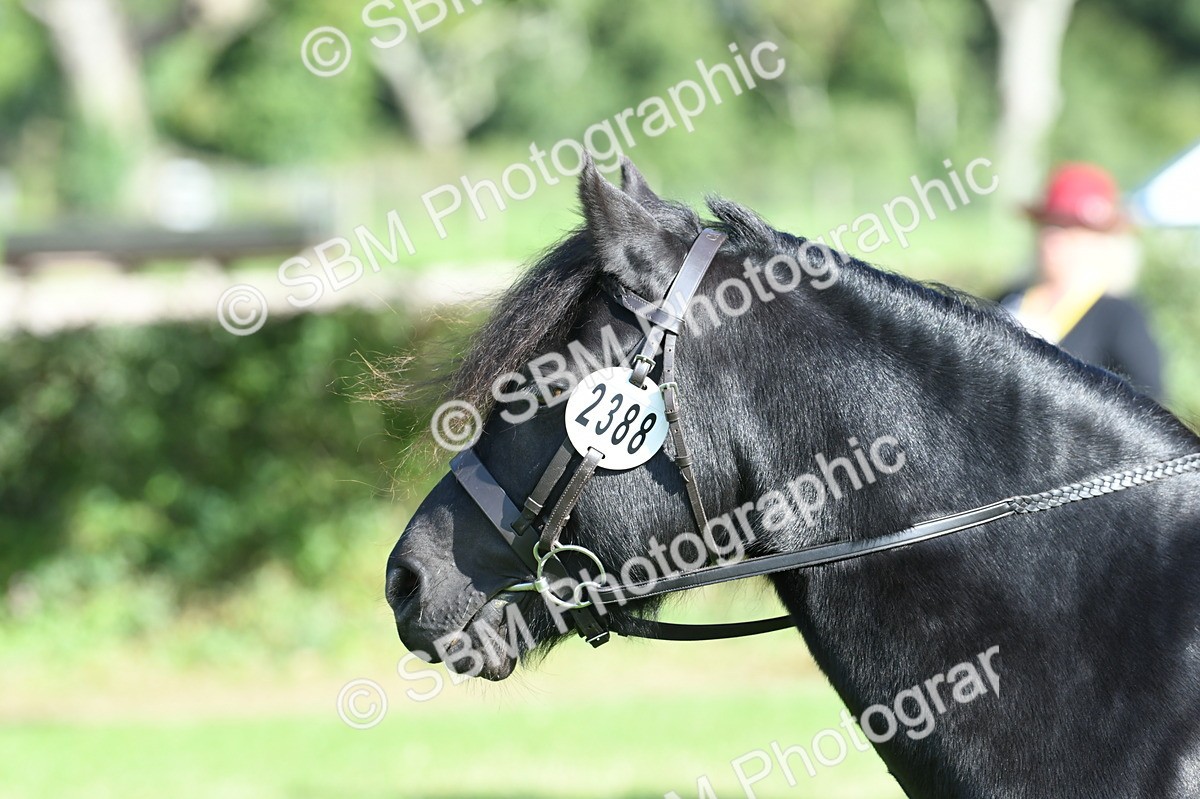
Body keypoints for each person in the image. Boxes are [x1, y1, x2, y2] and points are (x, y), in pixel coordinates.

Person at [999, 162, 1163, 398]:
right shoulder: (1008, 298)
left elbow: (1149, 403)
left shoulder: (1120, 318)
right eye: (1050, 224)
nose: (1054, 237)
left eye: (1070, 228)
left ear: (1103, 240)